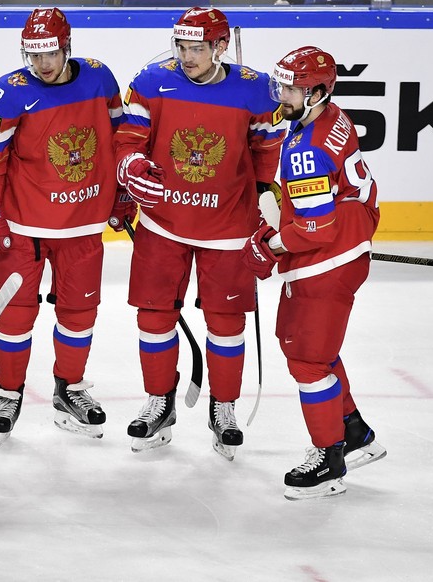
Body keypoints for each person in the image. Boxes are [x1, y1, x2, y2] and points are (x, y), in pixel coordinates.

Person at [114, 7, 285, 460]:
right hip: (162, 223)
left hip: (229, 227)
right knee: (153, 318)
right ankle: (159, 402)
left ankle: (222, 408)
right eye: (182, 47)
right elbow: (129, 139)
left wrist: (270, 213)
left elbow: (269, 156)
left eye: (197, 48)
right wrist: (129, 166)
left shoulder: (256, 89)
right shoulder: (151, 82)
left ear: (221, 47)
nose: (187, 57)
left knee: (226, 325)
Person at [0, 7, 128, 446]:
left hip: (84, 223)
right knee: (15, 315)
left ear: (67, 47)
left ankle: (70, 388)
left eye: (50, 54)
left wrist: (123, 191)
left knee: (79, 314)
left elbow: (122, 140)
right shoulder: (6, 94)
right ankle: (8, 393)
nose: (42, 64)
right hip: (24, 226)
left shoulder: (100, 79)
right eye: (33, 55)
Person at [242, 46, 387, 500]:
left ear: (318, 92)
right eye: (281, 84)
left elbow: (312, 228)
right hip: (346, 241)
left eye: (290, 88)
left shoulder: (306, 148)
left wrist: (268, 245)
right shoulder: (326, 118)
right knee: (309, 346)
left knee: (307, 356)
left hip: (330, 257)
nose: (280, 95)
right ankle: (353, 432)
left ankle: (329, 459)